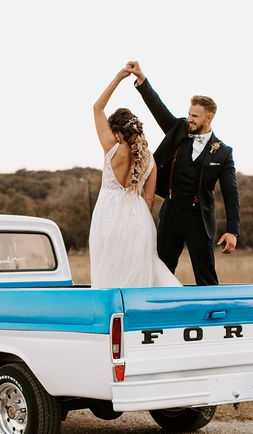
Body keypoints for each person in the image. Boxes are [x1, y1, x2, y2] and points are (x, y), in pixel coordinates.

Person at [126, 60, 240, 286]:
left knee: (205, 275)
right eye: (189, 114)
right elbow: (159, 110)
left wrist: (232, 231)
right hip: (171, 211)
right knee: (160, 268)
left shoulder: (223, 153)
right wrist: (142, 79)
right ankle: (157, 315)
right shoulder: (179, 129)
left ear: (208, 118)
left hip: (199, 217)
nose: (190, 119)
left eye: (195, 116)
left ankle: (210, 317)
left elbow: (231, 193)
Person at [89, 68, 181, 288]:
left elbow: (97, 107)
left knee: (109, 270)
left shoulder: (111, 147)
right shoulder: (149, 159)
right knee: (141, 273)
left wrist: (118, 78)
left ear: (115, 130)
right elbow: (149, 200)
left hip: (108, 215)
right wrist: (137, 218)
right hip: (139, 219)